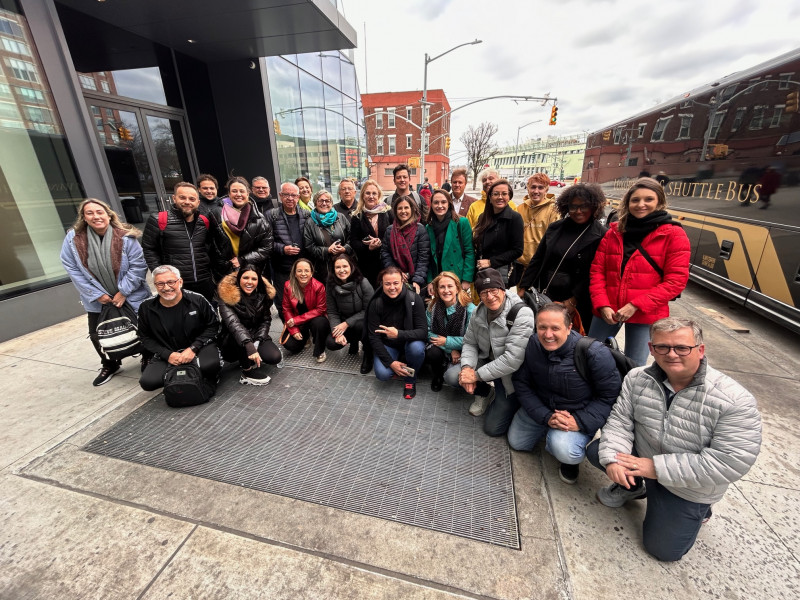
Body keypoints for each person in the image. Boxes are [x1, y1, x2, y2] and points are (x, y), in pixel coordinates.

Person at [586, 317, 762, 562]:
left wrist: (655, 468)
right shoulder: (637, 377)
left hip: (688, 484)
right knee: (599, 453)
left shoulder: (734, 400)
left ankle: (701, 509)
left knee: (663, 551)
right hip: (644, 459)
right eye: (662, 347)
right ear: (651, 349)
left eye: (682, 348)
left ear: (700, 350)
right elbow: (620, 421)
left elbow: (730, 463)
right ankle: (634, 488)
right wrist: (614, 459)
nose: (672, 354)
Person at [508, 303, 621, 484]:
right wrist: (545, 416)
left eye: (555, 328)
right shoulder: (533, 344)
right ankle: (550, 429)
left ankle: (569, 458)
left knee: (565, 450)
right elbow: (522, 383)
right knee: (517, 442)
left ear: (569, 327)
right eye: (542, 327)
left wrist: (579, 421)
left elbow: (610, 397)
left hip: (577, 413)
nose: (548, 334)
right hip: (543, 407)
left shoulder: (594, 353)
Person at [588, 177, 691, 366]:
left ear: (659, 201)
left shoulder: (673, 234)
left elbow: (675, 281)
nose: (641, 205)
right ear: (628, 203)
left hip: (645, 311)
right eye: (635, 200)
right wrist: (602, 304)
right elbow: (597, 271)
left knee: (633, 364)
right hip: (607, 309)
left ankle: (625, 395)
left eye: (648, 199)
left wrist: (635, 305)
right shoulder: (614, 232)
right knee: (590, 356)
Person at [60, 198, 151, 386]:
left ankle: (147, 356)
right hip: (97, 299)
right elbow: (72, 268)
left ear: (109, 215)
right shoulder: (73, 239)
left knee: (142, 328)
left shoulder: (126, 237)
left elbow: (138, 266)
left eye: (100, 212)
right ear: (83, 217)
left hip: (130, 294)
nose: (96, 216)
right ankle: (110, 363)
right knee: (96, 333)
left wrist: (123, 291)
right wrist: (95, 294)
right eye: (90, 213)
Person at [518, 183, 607, 334]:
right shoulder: (556, 227)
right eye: (573, 207)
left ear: (594, 207)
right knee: (540, 333)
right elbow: (538, 259)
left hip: (576, 298)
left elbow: (593, 273)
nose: (578, 211)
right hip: (545, 293)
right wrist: (523, 287)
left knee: (566, 338)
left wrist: (573, 300)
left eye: (584, 206)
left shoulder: (601, 235)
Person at [458, 268, 534, 426]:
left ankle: (508, 400)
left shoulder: (521, 313)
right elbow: (470, 342)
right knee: (455, 375)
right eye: (484, 293)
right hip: (487, 360)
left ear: (503, 289)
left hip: (511, 373)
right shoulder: (478, 312)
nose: (490, 297)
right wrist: (466, 368)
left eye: (493, 290)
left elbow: (512, 360)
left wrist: (476, 376)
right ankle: (485, 392)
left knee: (493, 428)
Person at [138, 265, 221, 392]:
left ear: (180, 282)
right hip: (168, 352)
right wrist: (167, 354)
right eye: (160, 284)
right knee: (148, 382)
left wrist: (193, 348)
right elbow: (144, 337)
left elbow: (214, 326)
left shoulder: (197, 299)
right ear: (155, 285)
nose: (166, 287)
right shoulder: (146, 307)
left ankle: (197, 376)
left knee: (211, 366)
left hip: (198, 348)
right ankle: (177, 376)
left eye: (171, 282)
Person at [142, 181, 216, 301]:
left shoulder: (204, 221)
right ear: (174, 198)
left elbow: (209, 247)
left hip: (204, 281)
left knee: (207, 315)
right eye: (182, 197)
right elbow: (149, 249)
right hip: (175, 284)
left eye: (192, 199)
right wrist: (160, 275)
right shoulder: (159, 220)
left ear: (198, 202)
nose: (187, 202)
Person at [365, 266, 427, 399]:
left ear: (402, 282)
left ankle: (410, 380)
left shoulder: (414, 299)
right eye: (387, 284)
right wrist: (391, 363)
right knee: (382, 374)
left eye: (396, 283)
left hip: (409, 343)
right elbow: (373, 337)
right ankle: (398, 364)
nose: (392, 287)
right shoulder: (376, 303)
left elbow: (423, 332)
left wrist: (398, 334)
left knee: (417, 348)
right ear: (382, 284)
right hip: (388, 344)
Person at [216, 264, 282, 385]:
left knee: (274, 357)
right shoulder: (226, 296)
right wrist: (250, 346)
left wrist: (257, 341)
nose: (249, 282)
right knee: (239, 336)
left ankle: (250, 356)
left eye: (254, 279)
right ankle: (247, 372)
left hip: (255, 333)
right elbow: (234, 325)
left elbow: (266, 320)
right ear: (239, 278)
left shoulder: (263, 295)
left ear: (259, 281)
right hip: (233, 339)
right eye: (245, 278)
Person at [210, 176, 273, 280]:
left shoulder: (259, 219)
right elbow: (210, 245)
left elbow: (266, 247)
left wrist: (242, 260)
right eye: (234, 191)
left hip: (251, 271)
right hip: (224, 272)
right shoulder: (216, 214)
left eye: (242, 191)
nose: (238, 194)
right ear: (229, 194)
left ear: (248, 193)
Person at [424, 272, 475, 392]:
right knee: (432, 352)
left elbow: (471, 339)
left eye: (450, 286)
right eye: (442, 287)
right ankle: (437, 375)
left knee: (452, 377)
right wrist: (450, 348)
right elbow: (428, 332)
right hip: (444, 347)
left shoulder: (470, 309)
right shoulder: (432, 306)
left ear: (457, 288)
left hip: (464, 350)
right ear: (437, 290)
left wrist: (447, 342)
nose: (446, 290)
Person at [508, 173, 560, 290]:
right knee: (521, 302)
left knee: (537, 302)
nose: (536, 191)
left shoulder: (553, 211)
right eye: (533, 187)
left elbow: (554, 241)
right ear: (528, 188)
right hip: (520, 266)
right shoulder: (520, 208)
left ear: (546, 189)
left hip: (540, 268)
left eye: (540, 187)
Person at [325, 254, 374, 372]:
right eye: (338, 267)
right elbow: (332, 311)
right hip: (344, 321)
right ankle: (353, 341)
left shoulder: (363, 282)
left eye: (345, 266)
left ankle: (368, 354)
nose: (342, 270)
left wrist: (346, 323)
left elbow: (369, 310)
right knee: (331, 343)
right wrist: (337, 333)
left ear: (351, 267)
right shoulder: (330, 284)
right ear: (333, 269)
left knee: (359, 325)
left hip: (363, 323)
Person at [268, 182, 310, 318]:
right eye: (286, 194)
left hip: (303, 267)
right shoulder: (271, 215)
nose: (290, 198)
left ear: (298, 197)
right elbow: (265, 242)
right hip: (282, 268)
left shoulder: (306, 214)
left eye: (293, 195)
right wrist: (282, 249)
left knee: (305, 302)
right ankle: (289, 331)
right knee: (283, 303)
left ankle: (304, 333)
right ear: (280, 196)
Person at [472, 179, 524, 289]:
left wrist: (491, 262)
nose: (500, 197)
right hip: (482, 271)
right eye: (496, 194)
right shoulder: (483, 217)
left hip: (501, 272)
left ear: (509, 197)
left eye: (504, 194)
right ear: (490, 198)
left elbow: (517, 250)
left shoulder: (515, 218)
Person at [425, 188, 474, 293]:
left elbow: (469, 252)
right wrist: (430, 280)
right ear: (431, 205)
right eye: (436, 202)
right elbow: (428, 257)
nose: (440, 206)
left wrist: (466, 279)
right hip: (438, 277)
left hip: (457, 276)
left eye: (443, 202)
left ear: (449, 204)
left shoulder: (461, 223)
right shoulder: (429, 227)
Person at [281, 258, 330, 362]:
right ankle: (306, 337)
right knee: (290, 345)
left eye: (307, 271)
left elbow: (321, 309)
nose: (303, 274)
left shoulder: (319, 286)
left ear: (311, 273)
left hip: (314, 319)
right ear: (294, 273)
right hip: (298, 321)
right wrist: (293, 329)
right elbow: (286, 308)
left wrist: (296, 321)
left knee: (320, 323)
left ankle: (320, 350)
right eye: (299, 271)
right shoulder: (288, 286)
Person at [381, 195, 430, 295]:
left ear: (412, 209)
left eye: (406, 207)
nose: (403, 211)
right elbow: (385, 253)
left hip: (416, 281)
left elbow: (423, 258)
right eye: (400, 208)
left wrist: (417, 280)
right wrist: (396, 272)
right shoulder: (390, 230)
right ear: (395, 211)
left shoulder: (420, 229)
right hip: (395, 281)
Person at [350, 179, 393, 288]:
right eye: (368, 193)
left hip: (386, 263)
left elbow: (394, 237)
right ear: (363, 195)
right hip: (366, 266)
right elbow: (354, 242)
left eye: (374, 193)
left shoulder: (387, 212)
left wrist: (381, 242)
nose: (371, 196)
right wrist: (368, 247)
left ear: (379, 195)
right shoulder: (357, 216)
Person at [303, 188, 353, 284]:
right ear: (315, 203)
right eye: (321, 200)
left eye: (327, 200)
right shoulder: (310, 222)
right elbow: (308, 247)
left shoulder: (340, 217)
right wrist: (327, 250)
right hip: (322, 268)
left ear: (332, 203)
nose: (324, 203)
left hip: (343, 265)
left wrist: (345, 248)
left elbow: (352, 237)